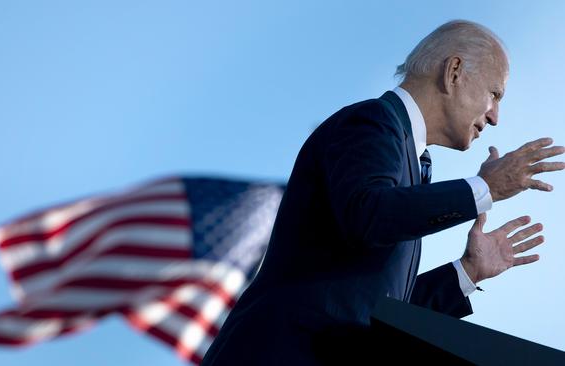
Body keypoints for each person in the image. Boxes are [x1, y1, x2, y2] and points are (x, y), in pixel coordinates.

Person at [201, 20, 565, 365]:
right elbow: (369, 214)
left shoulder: (409, 160)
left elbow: (374, 316)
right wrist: (486, 188)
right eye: (494, 94)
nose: (496, 116)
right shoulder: (373, 122)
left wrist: (468, 271)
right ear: (454, 71)